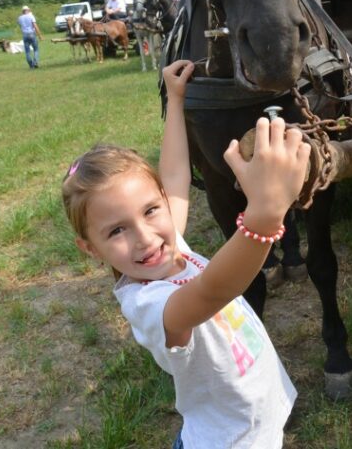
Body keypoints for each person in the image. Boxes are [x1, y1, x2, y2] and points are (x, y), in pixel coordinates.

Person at [62, 59, 306, 449]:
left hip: (252, 420)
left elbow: (174, 177)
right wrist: (266, 213)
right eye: (116, 230)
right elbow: (211, 292)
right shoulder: (149, 303)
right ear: (91, 248)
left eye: (150, 210)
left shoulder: (165, 244)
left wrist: (175, 100)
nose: (144, 237)